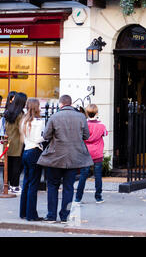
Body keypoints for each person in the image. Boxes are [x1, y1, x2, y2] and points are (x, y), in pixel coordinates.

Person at [37, 95, 93, 223]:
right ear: (71, 103)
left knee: (52, 186)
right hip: (73, 158)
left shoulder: (54, 117)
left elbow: (46, 136)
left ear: (61, 104)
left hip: (55, 158)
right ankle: (64, 216)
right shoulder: (81, 117)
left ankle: (51, 216)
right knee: (68, 187)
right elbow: (86, 136)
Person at [75, 104, 108, 204]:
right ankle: (98, 197)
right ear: (97, 113)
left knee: (83, 176)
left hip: (86, 153)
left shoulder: (84, 124)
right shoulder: (101, 125)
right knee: (98, 176)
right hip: (97, 153)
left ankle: (78, 198)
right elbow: (105, 133)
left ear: (86, 113)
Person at [19, 98, 45, 221]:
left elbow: (25, 139)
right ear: (36, 107)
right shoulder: (39, 122)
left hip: (26, 152)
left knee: (26, 183)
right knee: (33, 184)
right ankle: (31, 215)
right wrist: (45, 137)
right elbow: (38, 138)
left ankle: (23, 212)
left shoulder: (23, 120)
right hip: (35, 151)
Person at [4, 92, 27, 193]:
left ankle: (7, 185)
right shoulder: (20, 114)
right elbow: (22, 130)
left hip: (8, 141)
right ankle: (15, 186)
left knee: (8, 164)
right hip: (18, 142)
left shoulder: (9, 112)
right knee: (16, 165)